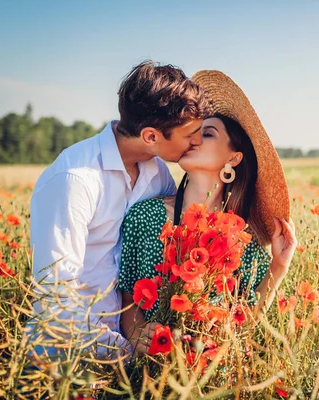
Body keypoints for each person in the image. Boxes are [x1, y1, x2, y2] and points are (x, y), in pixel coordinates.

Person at [29, 60, 210, 358]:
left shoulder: (157, 174)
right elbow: (55, 301)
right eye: (190, 134)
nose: (197, 141)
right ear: (151, 137)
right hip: (69, 357)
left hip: (132, 346)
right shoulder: (75, 179)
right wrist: (126, 352)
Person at [118, 70, 297, 356]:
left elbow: (246, 324)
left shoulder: (242, 241)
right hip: (151, 371)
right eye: (194, 131)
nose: (194, 138)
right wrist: (140, 336)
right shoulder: (145, 215)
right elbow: (128, 299)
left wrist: (279, 266)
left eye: (208, 133)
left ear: (233, 158)